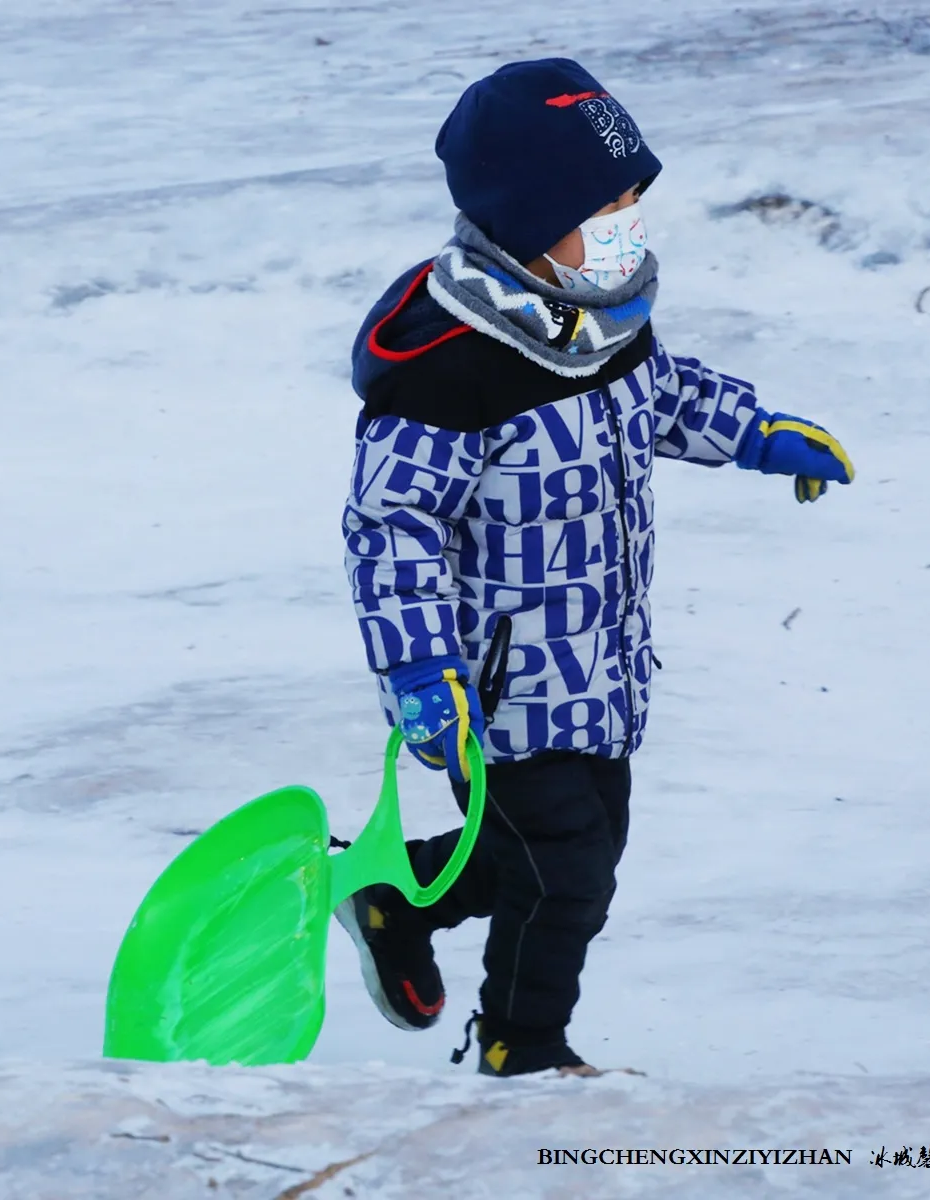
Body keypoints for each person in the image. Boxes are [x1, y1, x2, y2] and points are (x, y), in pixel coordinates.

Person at [337, 58, 853, 1077]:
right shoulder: (455, 365)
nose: (627, 225)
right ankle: (521, 1054)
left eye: (631, 202)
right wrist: (416, 672)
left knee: (571, 849)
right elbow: (394, 529)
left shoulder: (594, 316)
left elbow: (658, 396)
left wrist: (757, 432)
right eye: (602, 207)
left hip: (597, 660)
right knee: (567, 873)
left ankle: (395, 898)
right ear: (526, 217)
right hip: (492, 685)